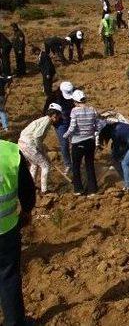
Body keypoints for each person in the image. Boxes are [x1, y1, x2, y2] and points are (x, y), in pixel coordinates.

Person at [0, 139, 36, 326]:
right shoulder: (10, 152)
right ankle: (14, 322)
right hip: (5, 230)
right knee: (8, 276)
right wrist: (26, 211)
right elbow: (28, 190)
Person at [17, 103, 62, 193]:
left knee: (34, 164)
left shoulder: (44, 120)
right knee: (45, 165)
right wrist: (40, 150)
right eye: (59, 116)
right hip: (29, 143)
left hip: (22, 142)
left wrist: (41, 149)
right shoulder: (46, 121)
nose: (59, 119)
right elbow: (37, 137)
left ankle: (30, 186)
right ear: (54, 115)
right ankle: (44, 190)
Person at [63, 90, 100, 196]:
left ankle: (78, 189)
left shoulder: (74, 111)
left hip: (77, 142)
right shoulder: (92, 109)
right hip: (90, 142)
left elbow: (73, 126)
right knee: (90, 165)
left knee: (76, 166)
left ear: (75, 101)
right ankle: (93, 190)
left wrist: (65, 135)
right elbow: (96, 126)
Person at [98, 121, 129, 191]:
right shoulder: (116, 125)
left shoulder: (115, 132)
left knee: (125, 163)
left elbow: (118, 147)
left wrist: (115, 158)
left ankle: (128, 186)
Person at [44, 81, 75, 174]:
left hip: (74, 119)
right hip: (61, 123)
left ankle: (77, 162)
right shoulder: (53, 97)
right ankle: (68, 164)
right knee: (64, 143)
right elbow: (46, 110)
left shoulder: (74, 92)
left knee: (76, 142)